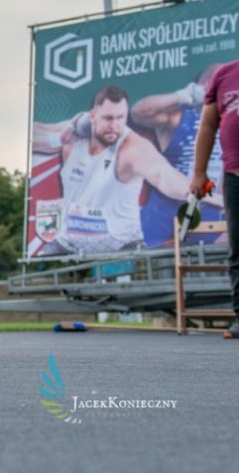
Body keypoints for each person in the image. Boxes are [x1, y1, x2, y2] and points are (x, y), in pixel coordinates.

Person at [32, 85, 220, 255]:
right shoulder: (76, 133)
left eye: (120, 118)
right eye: (108, 118)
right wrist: (57, 139)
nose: (114, 125)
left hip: (117, 246)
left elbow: (166, 177)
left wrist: (218, 198)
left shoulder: (133, 148)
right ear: (93, 116)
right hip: (71, 242)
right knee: (40, 263)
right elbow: (32, 134)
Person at [131, 66, 225, 245]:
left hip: (210, 207)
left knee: (210, 255)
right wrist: (184, 95)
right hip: (166, 208)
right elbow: (138, 113)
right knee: (150, 256)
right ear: (204, 84)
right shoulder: (180, 116)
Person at [188, 59, 239, 338]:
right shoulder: (225, 74)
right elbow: (208, 124)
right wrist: (199, 173)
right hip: (234, 175)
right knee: (238, 250)